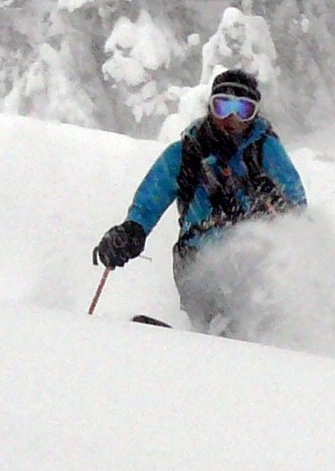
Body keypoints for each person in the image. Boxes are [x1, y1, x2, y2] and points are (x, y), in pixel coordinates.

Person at [93, 69, 308, 334]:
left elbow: (297, 208)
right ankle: (207, 341)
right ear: (210, 107)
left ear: (254, 115)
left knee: (253, 304)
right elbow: (152, 196)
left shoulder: (263, 151)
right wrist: (132, 230)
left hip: (254, 258)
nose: (231, 118)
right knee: (211, 304)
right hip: (195, 256)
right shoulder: (186, 154)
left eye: (242, 109)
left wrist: (279, 204)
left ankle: (239, 344)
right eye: (222, 106)